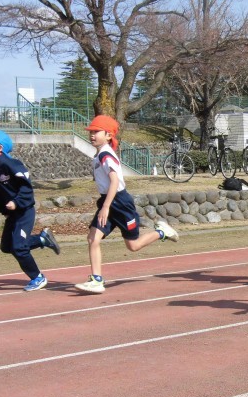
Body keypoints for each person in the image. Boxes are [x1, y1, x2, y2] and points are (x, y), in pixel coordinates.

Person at [76, 115, 179, 294]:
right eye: (91, 131)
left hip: (120, 203)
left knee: (133, 246)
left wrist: (106, 207)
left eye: (96, 132)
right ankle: (96, 280)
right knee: (93, 238)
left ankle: (162, 232)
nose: (92, 135)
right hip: (108, 201)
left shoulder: (106, 155)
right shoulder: (100, 153)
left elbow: (115, 182)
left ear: (108, 135)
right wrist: (105, 205)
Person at [0, 130, 61, 291]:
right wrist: (2, 207)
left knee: (19, 248)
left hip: (24, 211)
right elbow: (0, 189)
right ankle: (42, 239)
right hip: (12, 213)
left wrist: (16, 202)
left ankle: (38, 277)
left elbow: (26, 185)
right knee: (6, 246)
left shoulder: (9, 163)